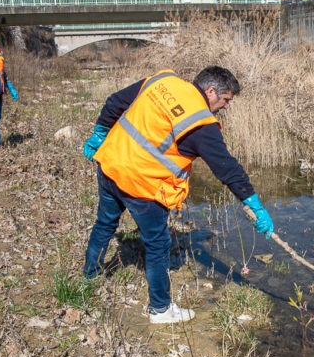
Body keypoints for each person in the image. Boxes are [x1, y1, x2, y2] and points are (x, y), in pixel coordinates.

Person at [83, 66, 274, 324]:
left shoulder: (163, 80)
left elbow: (115, 101)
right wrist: (253, 204)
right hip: (142, 185)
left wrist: (100, 132)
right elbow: (227, 168)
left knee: (105, 223)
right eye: (226, 100)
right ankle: (160, 310)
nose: (226, 107)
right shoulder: (201, 122)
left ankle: (90, 276)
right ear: (211, 91)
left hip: (110, 164)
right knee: (158, 244)